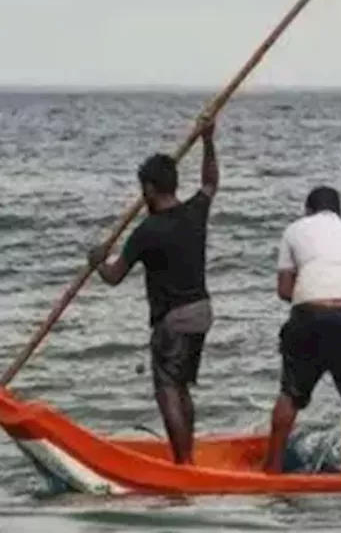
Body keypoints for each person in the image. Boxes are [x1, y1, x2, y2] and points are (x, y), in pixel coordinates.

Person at [87, 117, 218, 465]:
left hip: (173, 319)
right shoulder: (195, 212)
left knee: (167, 391)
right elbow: (209, 183)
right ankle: (187, 455)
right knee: (183, 387)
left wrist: (97, 261)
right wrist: (208, 141)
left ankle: (184, 465)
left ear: (148, 189)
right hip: (202, 312)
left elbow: (113, 276)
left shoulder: (147, 231)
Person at [263, 185, 341, 474]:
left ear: (308, 210)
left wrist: (312, 301)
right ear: (339, 213)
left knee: (290, 393)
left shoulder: (295, 229)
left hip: (309, 316)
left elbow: (284, 289)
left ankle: (272, 468)